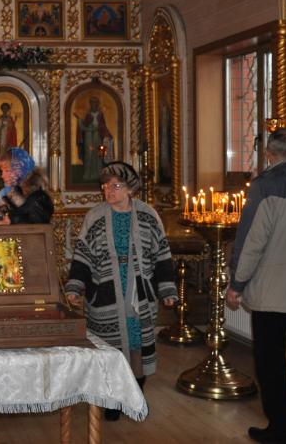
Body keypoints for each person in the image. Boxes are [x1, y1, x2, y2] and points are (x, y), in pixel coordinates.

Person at [64, 162, 176, 420]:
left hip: (140, 294)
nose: (108, 191)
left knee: (138, 345)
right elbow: (83, 255)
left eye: (115, 186)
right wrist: (75, 287)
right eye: (105, 186)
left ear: (130, 189)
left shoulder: (148, 214)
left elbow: (162, 254)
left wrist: (167, 289)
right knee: (110, 349)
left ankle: (135, 397)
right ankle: (113, 401)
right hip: (105, 294)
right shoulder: (95, 216)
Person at [226, 128, 286, 444]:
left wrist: (237, 282)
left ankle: (280, 428)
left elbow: (252, 241)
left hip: (270, 294)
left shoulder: (264, 186)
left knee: (271, 364)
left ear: (269, 154)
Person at [0, 147, 54, 226]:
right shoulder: (10, 193)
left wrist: (11, 221)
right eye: (2, 171)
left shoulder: (38, 197)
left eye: (7, 171)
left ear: (21, 170)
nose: (2, 176)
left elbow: (37, 223)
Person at [75, 96, 114, 182]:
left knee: (99, 153)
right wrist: (79, 120)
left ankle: (99, 174)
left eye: (95, 103)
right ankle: (88, 174)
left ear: (97, 104)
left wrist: (106, 134)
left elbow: (103, 125)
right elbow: (84, 125)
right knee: (89, 154)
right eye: (92, 103)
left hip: (98, 135)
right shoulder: (88, 115)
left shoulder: (100, 114)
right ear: (90, 104)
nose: (94, 105)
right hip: (88, 135)